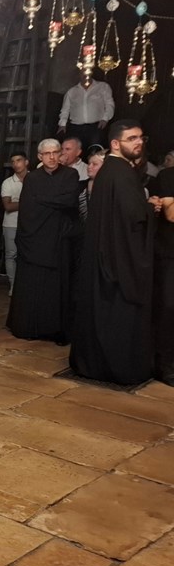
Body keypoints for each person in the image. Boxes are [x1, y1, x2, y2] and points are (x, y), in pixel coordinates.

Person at [71, 120, 155, 385]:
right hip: (118, 258)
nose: (139, 142)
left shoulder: (110, 170)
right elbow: (133, 217)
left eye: (141, 137)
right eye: (132, 138)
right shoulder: (121, 173)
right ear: (116, 144)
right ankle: (119, 366)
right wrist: (151, 208)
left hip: (105, 253)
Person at [7, 139, 81, 345]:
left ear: (60, 154)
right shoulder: (32, 178)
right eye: (47, 154)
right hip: (35, 239)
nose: (52, 157)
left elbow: (70, 201)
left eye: (55, 152)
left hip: (59, 240)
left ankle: (56, 330)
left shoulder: (70, 174)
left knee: (57, 288)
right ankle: (30, 327)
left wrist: (42, 199)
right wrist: (53, 201)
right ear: (40, 156)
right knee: (33, 286)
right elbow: (28, 208)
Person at [152, 165, 174, 385]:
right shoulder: (168, 176)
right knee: (168, 308)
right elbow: (171, 214)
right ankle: (163, 365)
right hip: (169, 255)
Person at [58, 76, 114, 151]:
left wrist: (105, 118)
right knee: (76, 151)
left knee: (95, 150)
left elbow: (109, 104)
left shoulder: (103, 87)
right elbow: (65, 109)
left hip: (96, 127)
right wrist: (62, 124)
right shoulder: (72, 91)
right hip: (76, 128)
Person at [0, 151, 28, 294]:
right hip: (11, 223)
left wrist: (18, 202)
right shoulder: (7, 182)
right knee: (11, 254)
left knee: (27, 255)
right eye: (13, 161)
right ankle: (13, 285)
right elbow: (8, 206)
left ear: (26, 162)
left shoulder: (35, 179)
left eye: (19, 160)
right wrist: (29, 202)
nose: (16, 164)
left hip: (30, 223)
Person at [79, 151, 106, 222]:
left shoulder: (109, 188)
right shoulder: (80, 186)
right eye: (89, 164)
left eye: (94, 164)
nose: (89, 167)